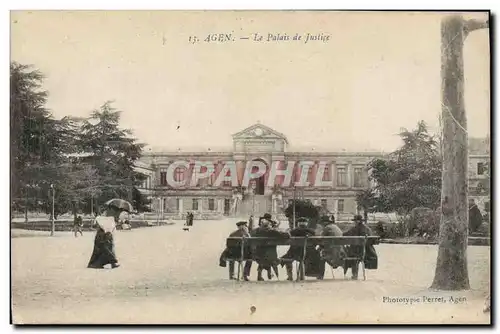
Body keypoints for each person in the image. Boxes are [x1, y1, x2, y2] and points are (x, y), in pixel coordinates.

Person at [252, 217, 290, 281]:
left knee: (264, 256)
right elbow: (286, 236)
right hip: (271, 258)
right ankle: (275, 275)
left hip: (258, 256)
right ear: (269, 225)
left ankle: (260, 275)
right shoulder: (272, 231)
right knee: (272, 256)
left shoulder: (257, 232)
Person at [343, 214, 378, 280]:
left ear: (357, 221)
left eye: (355, 221)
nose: (354, 222)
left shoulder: (354, 229)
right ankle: (354, 274)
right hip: (367, 252)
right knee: (355, 252)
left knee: (349, 253)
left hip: (355, 252)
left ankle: (354, 275)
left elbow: (345, 235)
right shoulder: (367, 229)